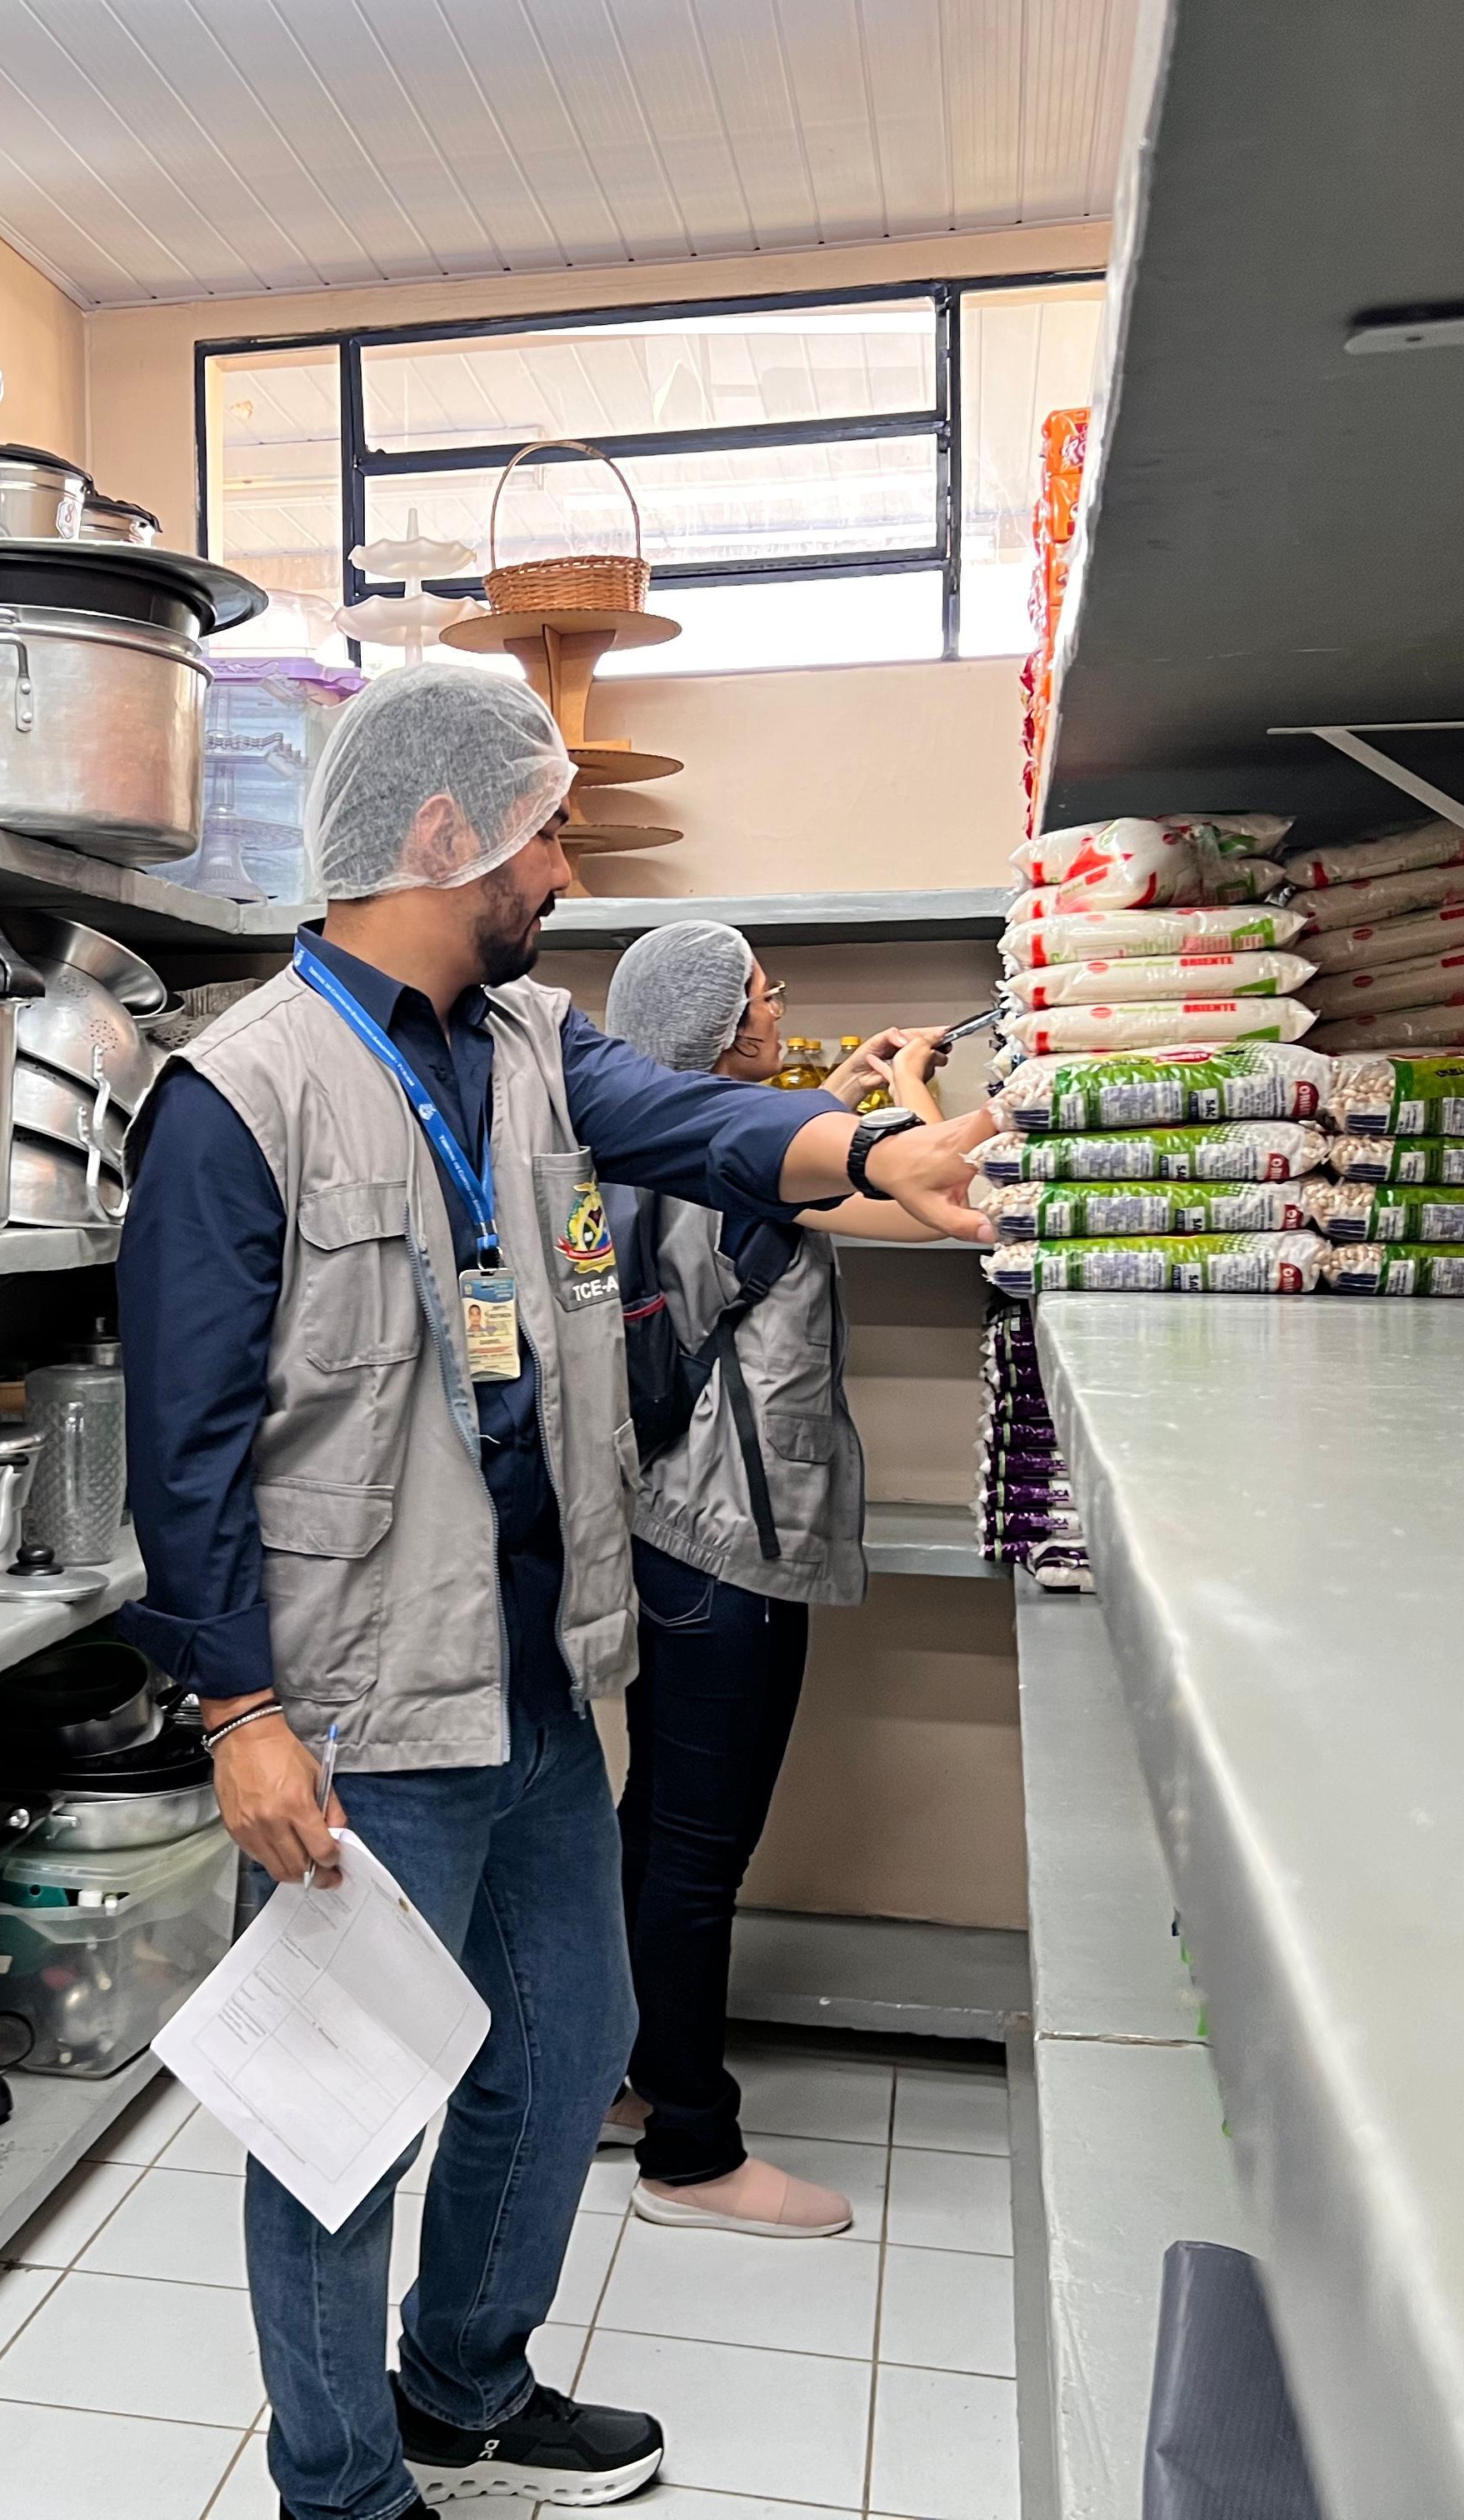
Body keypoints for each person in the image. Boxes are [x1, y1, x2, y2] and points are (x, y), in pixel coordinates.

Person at [115, 664, 995, 2520]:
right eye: (548, 831)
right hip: (358, 1709)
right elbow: (182, 1450)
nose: (566, 864)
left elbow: (699, 1124)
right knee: (343, 2120)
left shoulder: (525, 1044)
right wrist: (237, 1714)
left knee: (570, 2043)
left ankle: (466, 2383)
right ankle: (341, 2486)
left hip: (532, 1675)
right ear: (446, 836)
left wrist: (877, 1150)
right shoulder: (241, 1094)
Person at [593, 922, 999, 2238]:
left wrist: (848, 1097)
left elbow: (776, 1161)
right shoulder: (743, 1159)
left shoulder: (660, 1152)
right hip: (727, 1546)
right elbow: (933, 1208)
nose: (784, 1009)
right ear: (722, 1029)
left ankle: (618, 2078)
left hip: (673, 1533)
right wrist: (913, 1104)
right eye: (767, 997)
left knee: (655, 1826)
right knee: (698, 1854)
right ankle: (691, 2156)